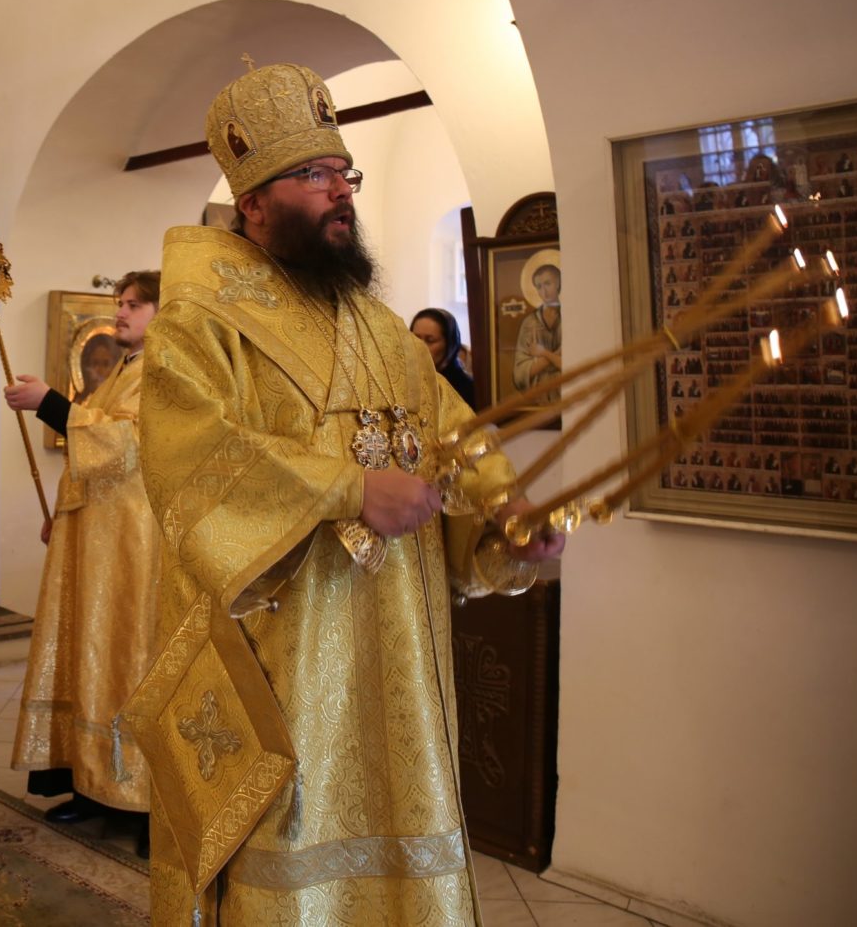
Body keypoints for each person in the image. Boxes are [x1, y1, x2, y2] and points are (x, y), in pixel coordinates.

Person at [131, 63, 564, 925]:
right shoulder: (201, 321)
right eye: (314, 176)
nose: (341, 193)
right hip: (285, 655)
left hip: (397, 649)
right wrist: (348, 488)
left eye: (345, 175)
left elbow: (451, 436)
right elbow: (192, 461)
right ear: (253, 202)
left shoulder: (375, 325)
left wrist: (503, 514)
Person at [4, 270, 162, 854]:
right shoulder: (123, 370)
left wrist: (47, 402)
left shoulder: (168, 371)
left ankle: (147, 802)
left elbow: (126, 444)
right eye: (119, 303)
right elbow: (92, 455)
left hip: (136, 547)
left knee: (130, 658)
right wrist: (63, 514)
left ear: (163, 313)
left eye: (134, 305)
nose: (120, 313)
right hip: (95, 538)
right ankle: (92, 786)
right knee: (87, 653)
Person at [512, 262, 563, 398]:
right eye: (539, 287)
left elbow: (574, 363)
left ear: (558, 283)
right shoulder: (530, 323)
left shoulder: (570, 318)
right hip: (539, 397)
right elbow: (520, 373)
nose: (544, 291)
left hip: (567, 392)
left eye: (548, 283)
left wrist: (542, 353)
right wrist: (556, 355)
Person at [411, 307, 478, 409]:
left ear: (449, 344)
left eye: (430, 340)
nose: (420, 346)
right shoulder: (405, 380)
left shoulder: (468, 390)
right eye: (415, 338)